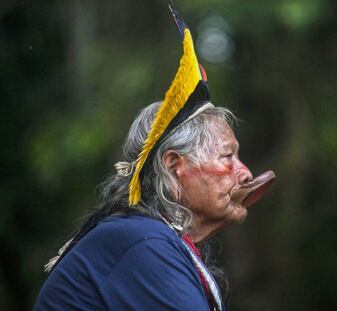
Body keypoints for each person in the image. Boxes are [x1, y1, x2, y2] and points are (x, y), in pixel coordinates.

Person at [34, 4, 275, 311]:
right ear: (174, 165)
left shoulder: (151, 240)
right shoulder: (142, 243)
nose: (244, 173)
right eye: (228, 156)